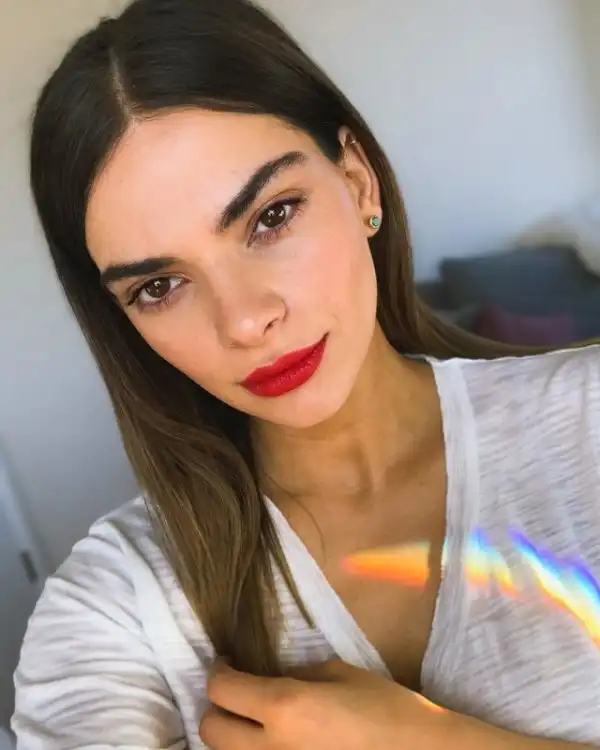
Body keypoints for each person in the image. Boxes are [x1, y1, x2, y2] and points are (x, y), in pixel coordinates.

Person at [12, 0, 600, 747]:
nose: (244, 320)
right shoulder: (120, 600)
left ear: (357, 182)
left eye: (271, 217)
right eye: (159, 286)